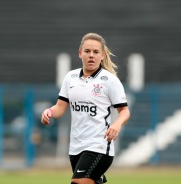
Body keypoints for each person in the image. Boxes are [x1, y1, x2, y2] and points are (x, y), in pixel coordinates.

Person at [41, 33, 130, 184]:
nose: (91, 55)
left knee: (78, 182)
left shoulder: (110, 81)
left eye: (95, 52)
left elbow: (124, 111)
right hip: (76, 146)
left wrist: (116, 124)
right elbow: (60, 108)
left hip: (99, 145)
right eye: (87, 51)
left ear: (102, 55)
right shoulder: (71, 77)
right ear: (80, 53)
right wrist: (49, 112)